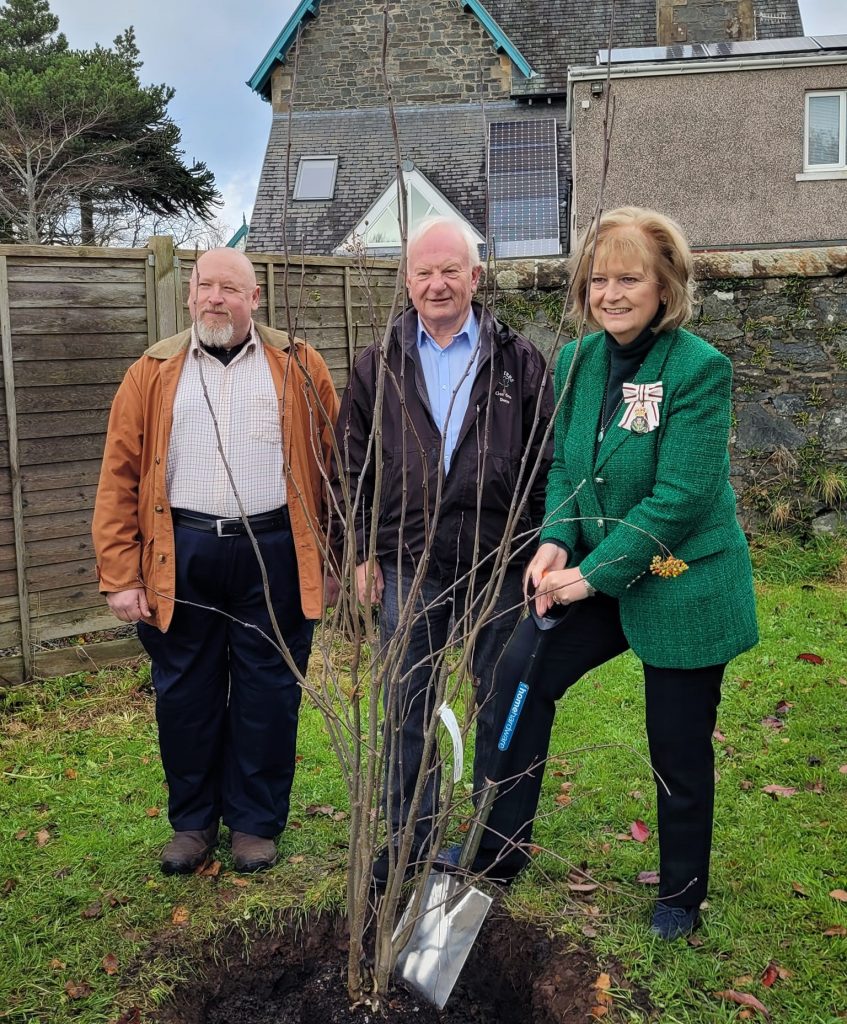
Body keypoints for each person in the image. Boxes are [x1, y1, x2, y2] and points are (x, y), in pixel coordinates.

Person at [465, 207, 758, 939]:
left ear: (665, 287)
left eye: (628, 278)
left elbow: (679, 499)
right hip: (593, 567)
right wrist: (556, 541)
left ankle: (680, 896)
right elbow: (566, 464)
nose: (610, 294)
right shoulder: (575, 362)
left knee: (676, 746)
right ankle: (497, 845)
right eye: (598, 280)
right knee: (515, 675)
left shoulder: (698, 369)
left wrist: (588, 575)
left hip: (677, 574)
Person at [92, 248, 339, 875]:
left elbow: (336, 470)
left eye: (231, 288)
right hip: (181, 553)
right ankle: (193, 824)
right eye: (205, 286)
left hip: (276, 551)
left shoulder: (300, 365)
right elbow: (118, 476)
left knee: (270, 692)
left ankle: (255, 824)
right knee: (184, 695)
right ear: (190, 294)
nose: (215, 298)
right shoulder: (150, 371)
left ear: (254, 298)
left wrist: (335, 558)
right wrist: (121, 574)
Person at [332, 217, 553, 888]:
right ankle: (408, 840)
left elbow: (546, 463)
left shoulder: (519, 361)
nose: (436, 283)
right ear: (406, 281)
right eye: (423, 272)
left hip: (497, 564)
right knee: (407, 704)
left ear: (475, 278)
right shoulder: (378, 364)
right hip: (406, 561)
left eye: (450, 271)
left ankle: (494, 843)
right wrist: (361, 551)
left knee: (501, 702)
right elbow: (352, 464)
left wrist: (537, 549)